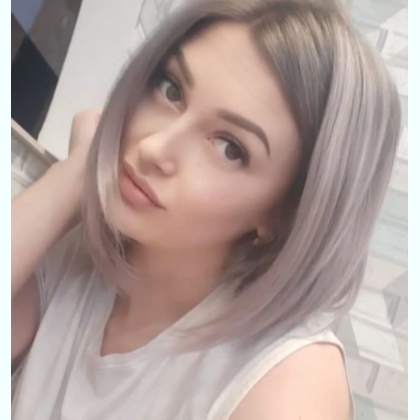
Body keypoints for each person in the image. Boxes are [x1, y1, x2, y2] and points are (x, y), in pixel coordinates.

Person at [11, 0, 401, 419]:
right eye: (171, 90)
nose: (153, 147)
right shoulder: (80, 257)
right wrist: (78, 173)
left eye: (230, 148)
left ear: (285, 213)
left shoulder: (288, 382)